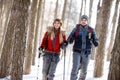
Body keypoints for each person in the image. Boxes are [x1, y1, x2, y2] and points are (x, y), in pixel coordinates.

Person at [67, 15, 99, 80]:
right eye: (82, 20)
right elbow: (70, 37)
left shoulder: (91, 30)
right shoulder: (76, 29)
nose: (83, 21)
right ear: (80, 21)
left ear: (87, 21)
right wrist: (70, 40)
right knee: (75, 68)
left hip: (87, 53)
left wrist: (95, 41)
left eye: (85, 20)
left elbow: (95, 38)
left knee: (84, 70)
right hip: (77, 51)